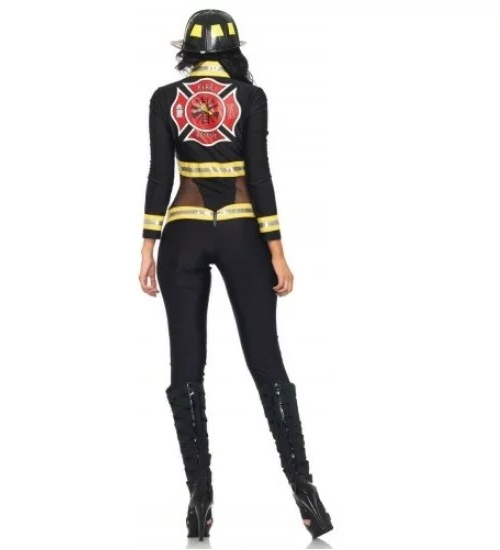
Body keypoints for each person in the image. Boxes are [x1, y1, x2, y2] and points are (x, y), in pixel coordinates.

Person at [138, 9, 333, 541]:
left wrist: (147, 245)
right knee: (267, 361)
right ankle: (305, 493)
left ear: (188, 50)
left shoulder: (164, 99)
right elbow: (259, 173)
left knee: (186, 366)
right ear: (232, 50)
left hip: (183, 233)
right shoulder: (251, 97)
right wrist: (277, 251)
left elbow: (159, 174)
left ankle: (199, 499)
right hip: (243, 233)